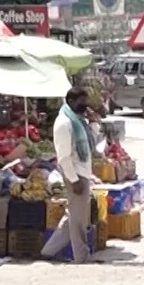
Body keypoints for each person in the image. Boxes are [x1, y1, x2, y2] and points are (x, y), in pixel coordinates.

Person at [41, 87, 96, 264]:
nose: (85, 105)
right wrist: (74, 180)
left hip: (82, 173)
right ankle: (82, 256)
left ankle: (48, 251)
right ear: (72, 102)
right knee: (79, 220)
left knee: (73, 216)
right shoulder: (64, 123)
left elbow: (90, 143)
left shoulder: (78, 121)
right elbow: (64, 157)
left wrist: (94, 121)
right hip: (76, 175)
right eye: (82, 101)